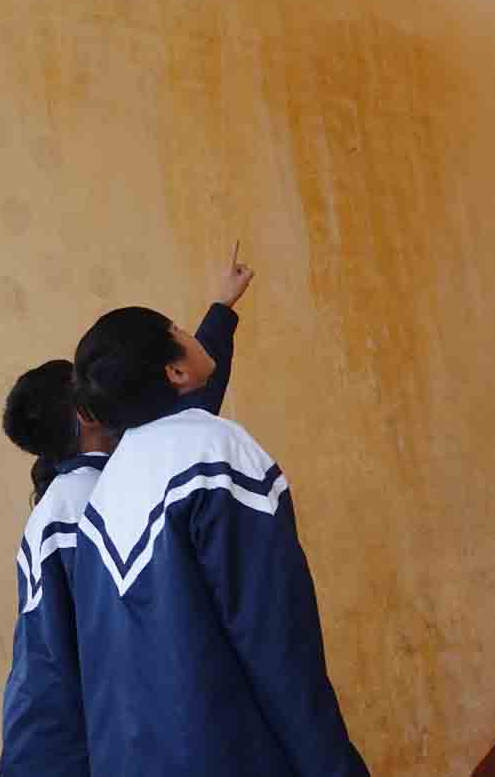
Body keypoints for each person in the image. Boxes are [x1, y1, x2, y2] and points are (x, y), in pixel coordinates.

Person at [70, 304, 368, 777]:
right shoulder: (214, 453)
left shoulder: (101, 500)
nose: (192, 334)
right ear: (177, 370)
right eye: (180, 330)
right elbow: (275, 638)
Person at [0, 261, 252, 777]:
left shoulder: (77, 492)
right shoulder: (91, 501)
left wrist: (221, 311)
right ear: (89, 417)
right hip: (70, 749)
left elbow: (182, 411)